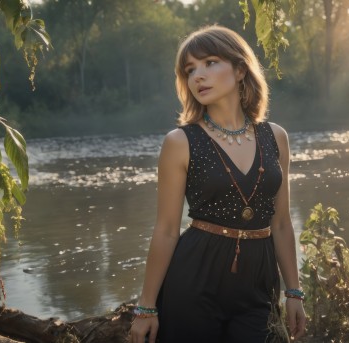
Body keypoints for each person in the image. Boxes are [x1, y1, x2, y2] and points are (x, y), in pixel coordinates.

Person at [129, 25, 307, 343]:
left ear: (240, 69)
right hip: (195, 278)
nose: (198, 75)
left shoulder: (275, 137)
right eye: (190, 69)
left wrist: (294, 291)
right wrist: (146, 307)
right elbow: (167, 229)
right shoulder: (180, 142)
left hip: (259, 281)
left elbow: (281, 223)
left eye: (210, 63)